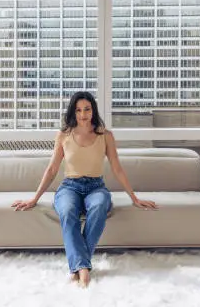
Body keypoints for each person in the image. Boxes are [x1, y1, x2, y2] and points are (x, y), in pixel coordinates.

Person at [11, 91, 158, 287]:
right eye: (78, 110)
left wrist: (134, 198)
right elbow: (52, 169)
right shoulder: (64, 135)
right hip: (69, 187)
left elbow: (117, 168)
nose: (83, 114)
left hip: (96, 187)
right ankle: (83, 267)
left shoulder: (105, 136)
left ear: (93, 110)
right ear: (73, 112)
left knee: (98, 207)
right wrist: (34, 199)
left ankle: (78, 267)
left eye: (87, 109)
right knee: (68, 210)